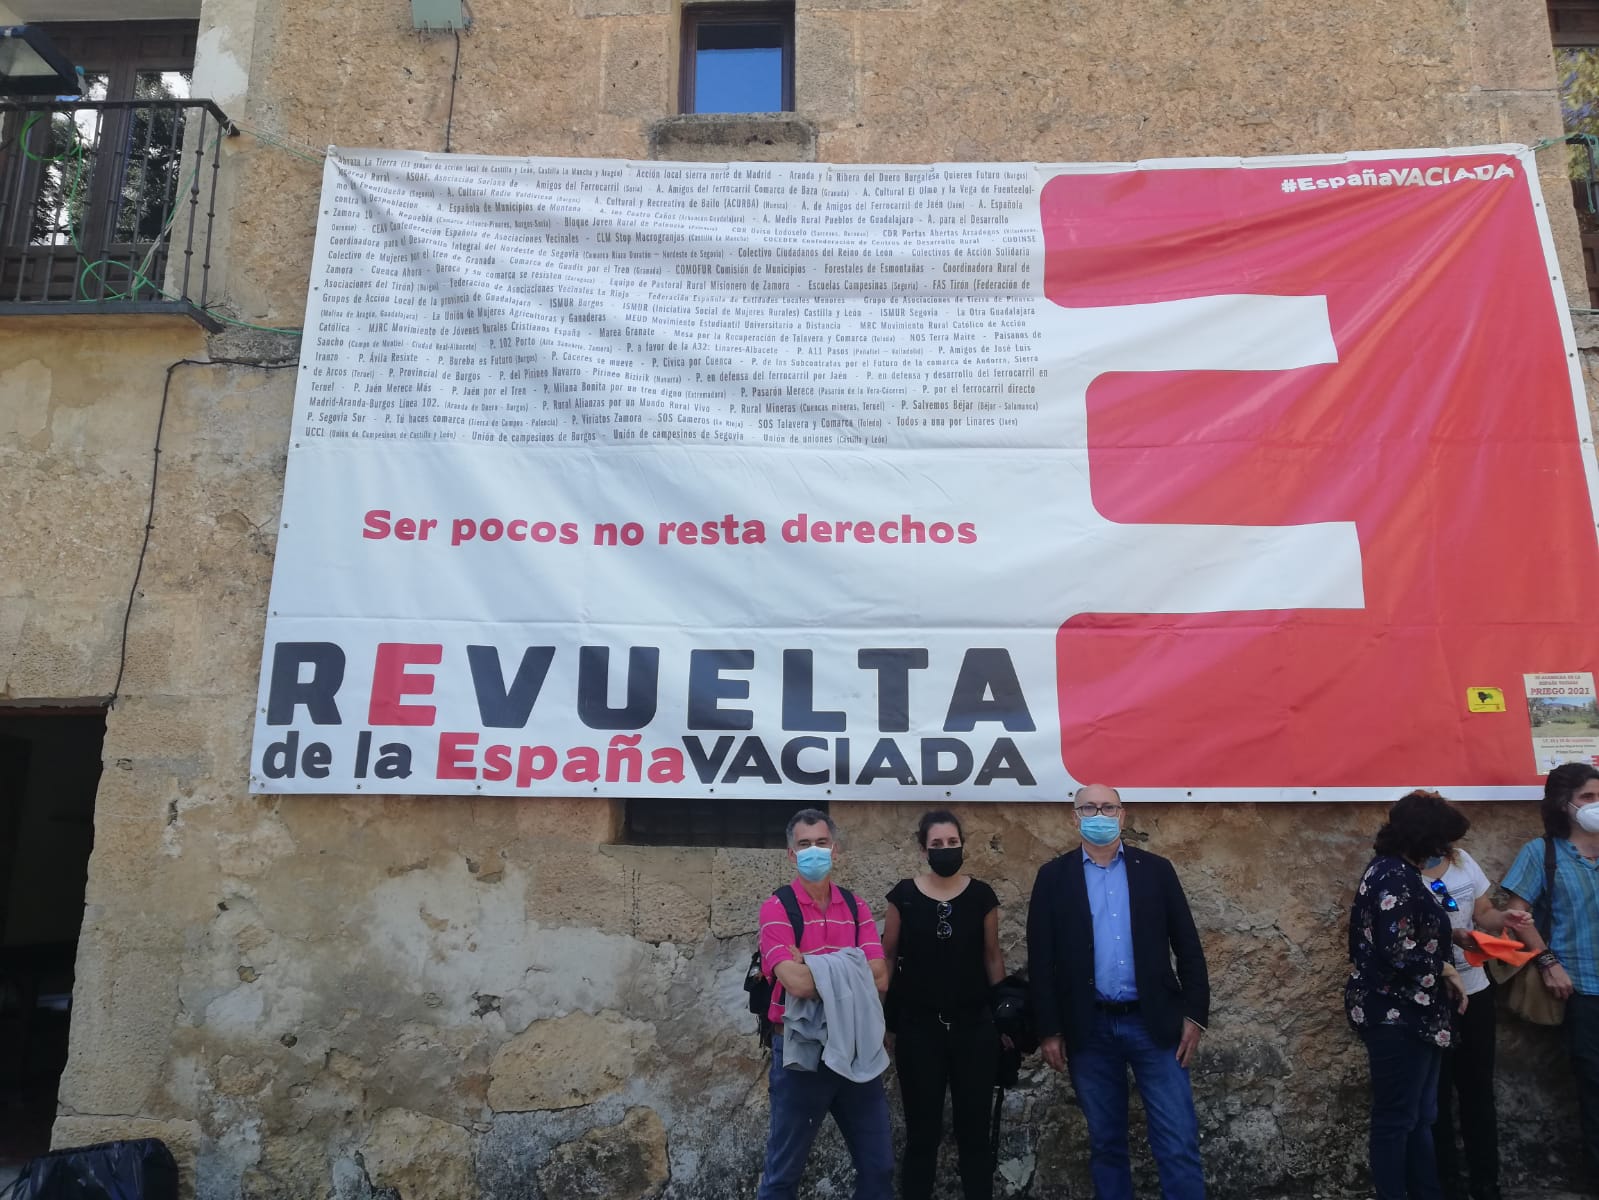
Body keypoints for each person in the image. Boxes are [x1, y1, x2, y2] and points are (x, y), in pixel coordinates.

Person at [1027, 784, 1209, 1200]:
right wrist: (1049, 1029)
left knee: (1178, 1143)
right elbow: (1041, 961)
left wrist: (1195, 1015)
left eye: (1108, 806)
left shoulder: (1156, 871)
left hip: (1155, 1025)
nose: (1099, 813)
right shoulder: (1053, 877)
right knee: (1106, 1145)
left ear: (1123, 816)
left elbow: (1188, 946)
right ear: (1074, 817)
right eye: (1088, 807)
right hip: (1088, 1029)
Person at [756, 808, 892, 1200]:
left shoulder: (856, 906)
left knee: (878, 1167)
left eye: (820, 843)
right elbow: (794, 984)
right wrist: (849, 963)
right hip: (801, 1050)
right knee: (783, 1174)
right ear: (790, 854)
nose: (813, 851)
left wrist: (813, 962)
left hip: (855, 1044)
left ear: (835, 849)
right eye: (803, 845)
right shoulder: (777, 908)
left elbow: (880, 976)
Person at [1345, 790, 1471, 1200]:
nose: (1446, 851)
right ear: (1423, 840)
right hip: (1397, 1014)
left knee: (1419, 1117)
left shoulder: (1397, 872)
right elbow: (1396, 948)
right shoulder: (1394, 876)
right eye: (1441, 842)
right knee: (1398, 1119)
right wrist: (1447, 968)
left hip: (1416, 1012)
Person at [881, 810, 1006, 1200]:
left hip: (974, 1032)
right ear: (923, 849)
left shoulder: (982, 895)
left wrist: (1005, 1018)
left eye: (952, 843)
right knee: (921, 1135)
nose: (946, 850)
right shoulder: (902, 895)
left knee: (974, 1135)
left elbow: (992, 957)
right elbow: (886, 957)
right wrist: (882, 1020)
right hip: (918, 1031)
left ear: (962, 845)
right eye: (937, 844)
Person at [1500, 762, 1599, 1185]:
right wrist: (1548, 963)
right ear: (1564, 805)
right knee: (1594, 1088)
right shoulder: (1541, 854)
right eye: (1589, 798)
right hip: (1579, 987)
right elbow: (1516, 916)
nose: (1597, 805)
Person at [1422, 844, 1530, 1200]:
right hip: (1429, 1000)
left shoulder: (1461, 857)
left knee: (1478, 1093)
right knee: (1433, 1099)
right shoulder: (1395, 871)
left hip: (1476, 991)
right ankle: (1445, 1184)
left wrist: (1506, 921)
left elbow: (1483, 912)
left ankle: (1486, 1184)